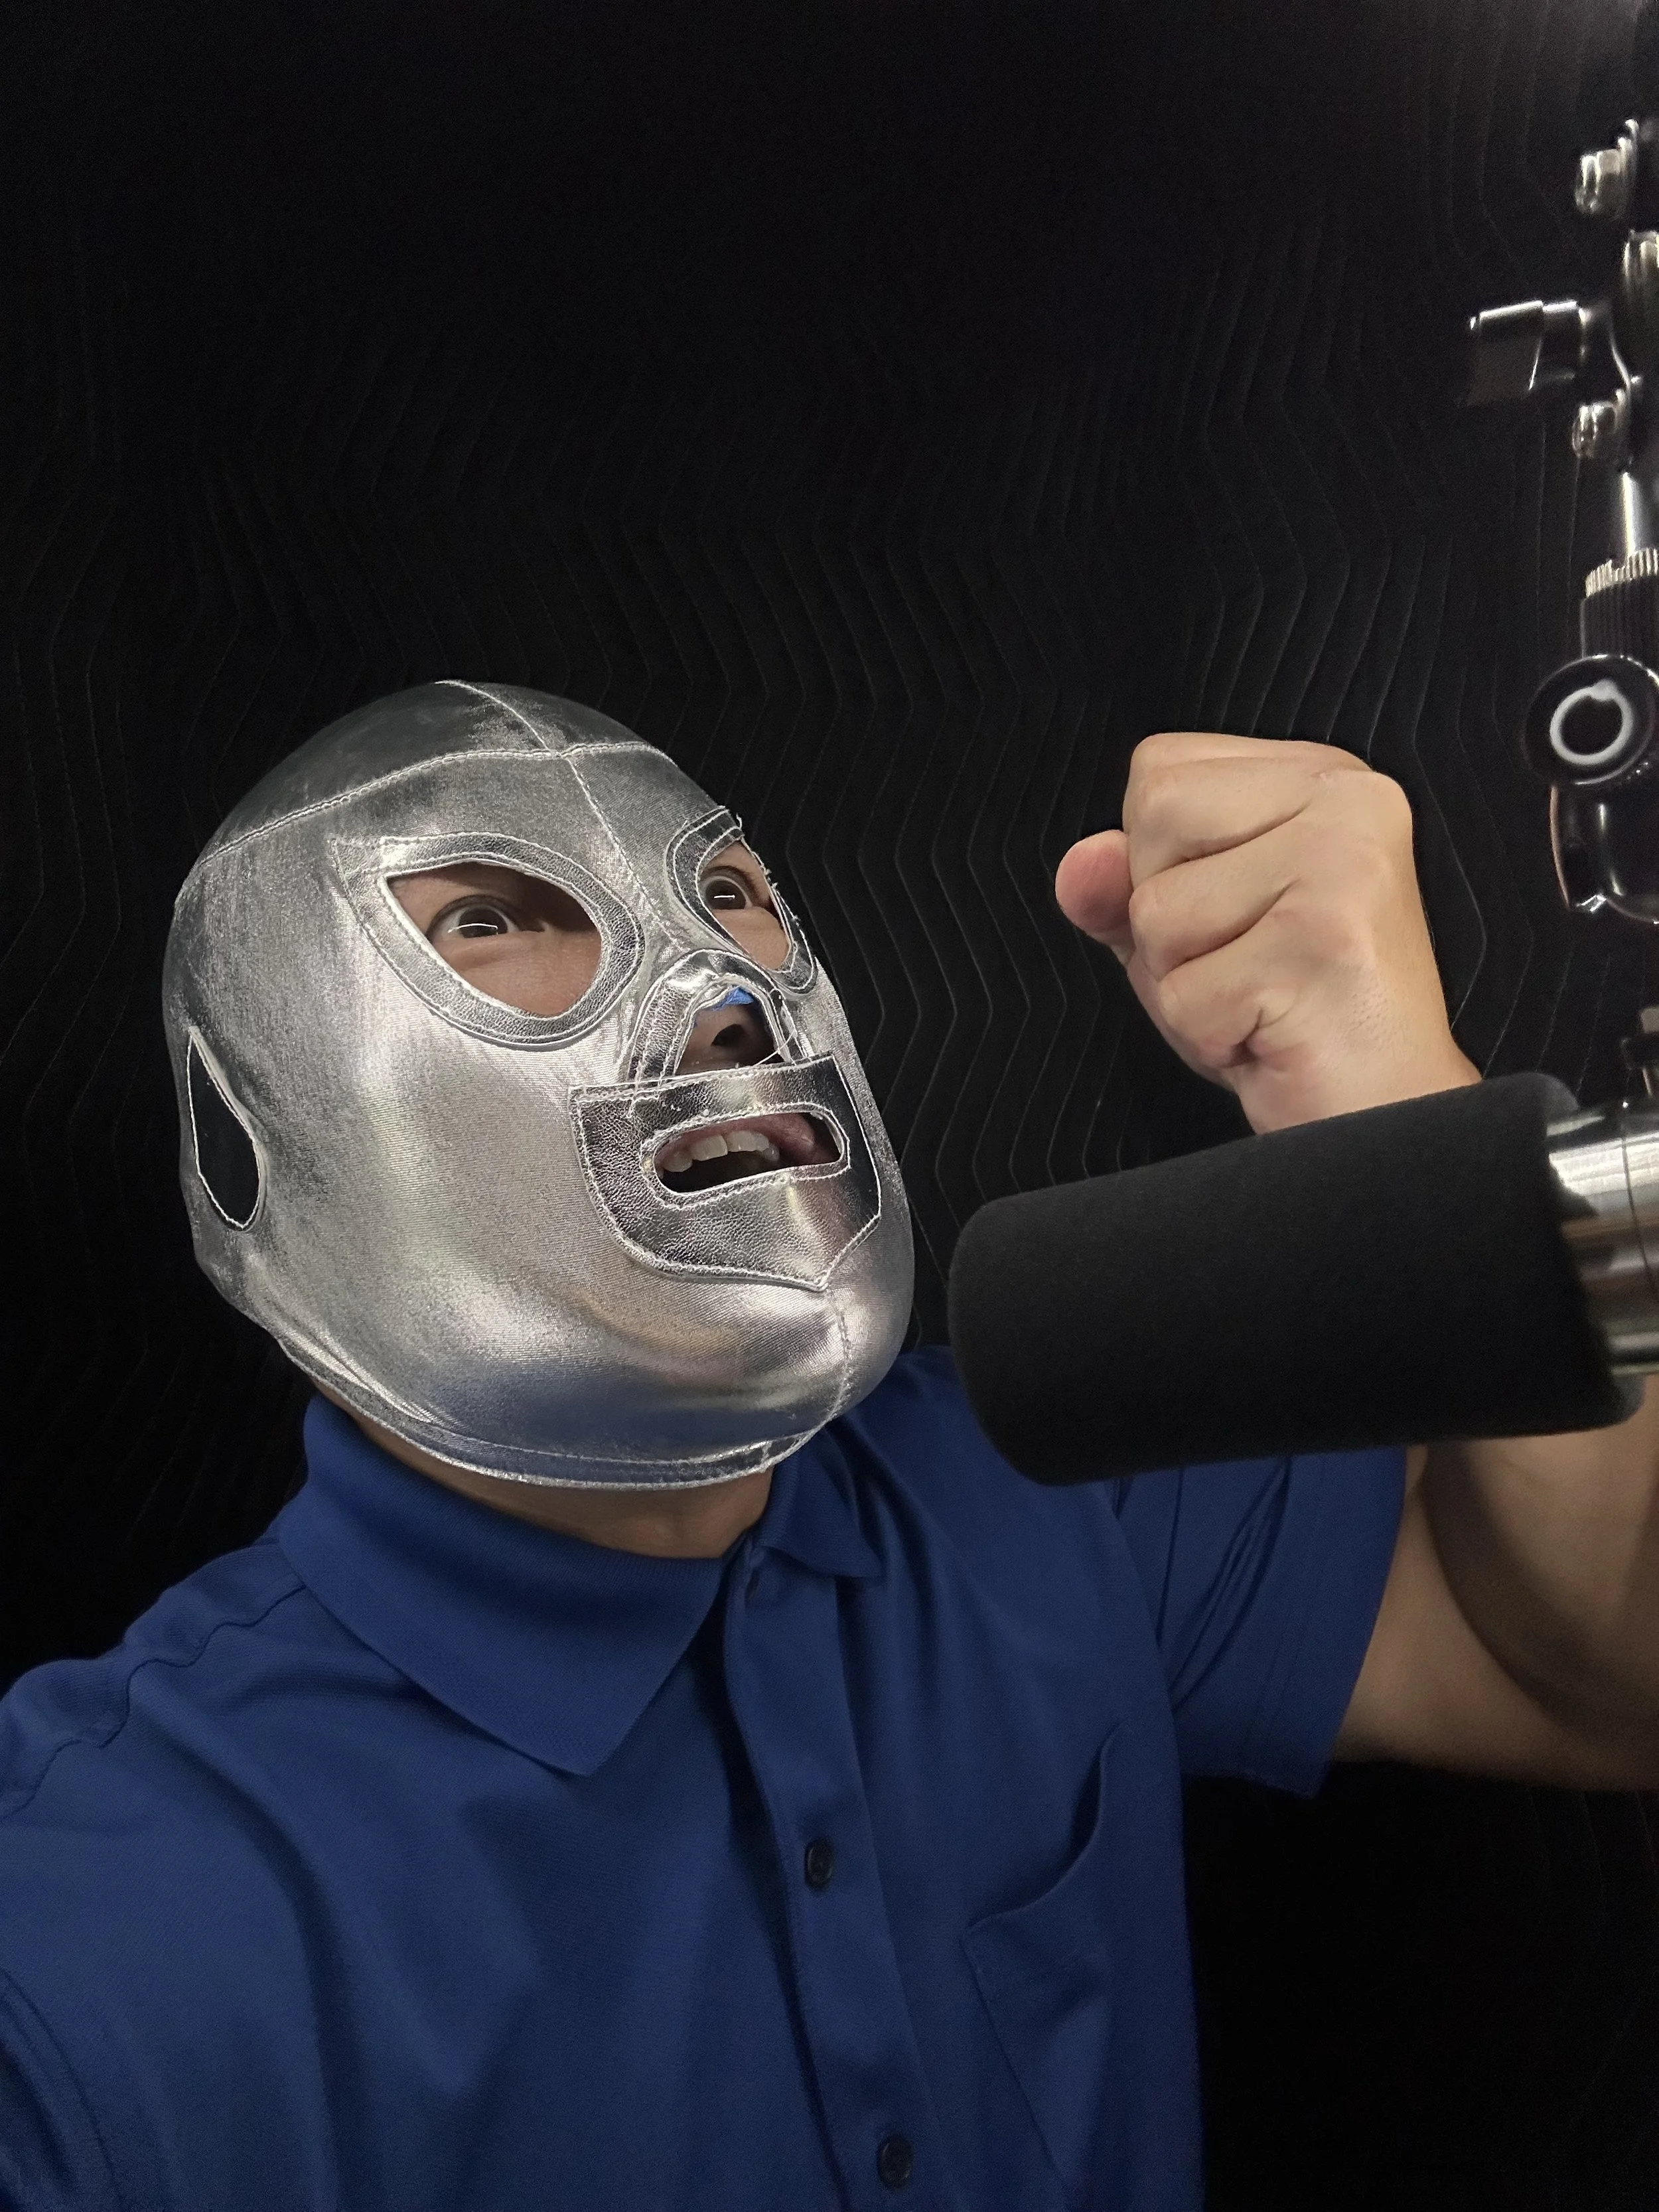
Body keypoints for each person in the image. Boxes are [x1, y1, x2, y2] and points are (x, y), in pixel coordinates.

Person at [0, 680, 1654, 2212]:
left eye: (726, 893)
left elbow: (1603, 1670)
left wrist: (1400, 1128)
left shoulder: (1048, 1474)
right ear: (249, 1136)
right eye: (492, 921)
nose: (715, 989)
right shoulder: (100, 1922)